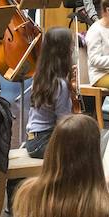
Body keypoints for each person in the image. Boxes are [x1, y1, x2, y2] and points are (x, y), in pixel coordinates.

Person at [22, 27, 76, 158]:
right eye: (71, 47)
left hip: (32, 139)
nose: (73, 50)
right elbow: (64, 123)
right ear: (64, 52)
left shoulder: (40, 75)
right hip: (44, 141)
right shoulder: (60, 85)